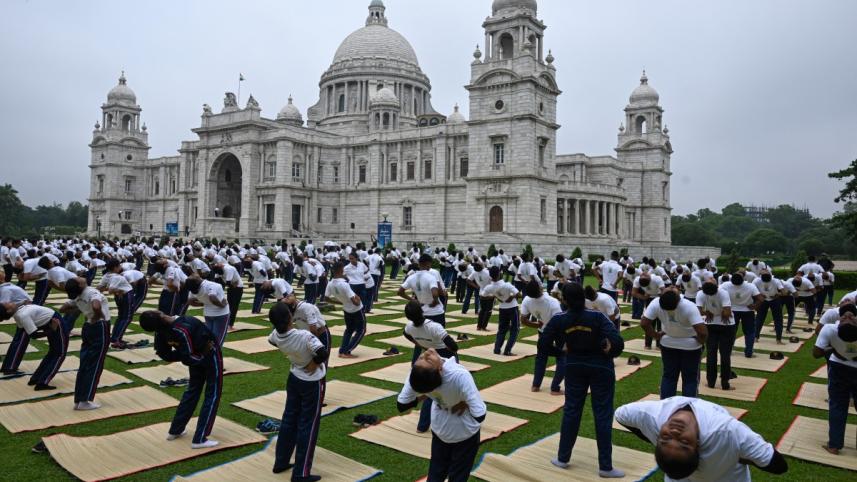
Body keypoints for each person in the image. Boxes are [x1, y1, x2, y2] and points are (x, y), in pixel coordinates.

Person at [538, 282, 625, 478]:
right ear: (583, 298)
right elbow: (618, 342)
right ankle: (605, 466)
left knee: (571, 410)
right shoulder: (597, 316)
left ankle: (562, 458)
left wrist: (560, 353)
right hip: (601, 365)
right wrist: (610, 352)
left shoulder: (560, 319)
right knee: (602, 413)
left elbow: (543, 343)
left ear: (564, 300)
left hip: (574, 365)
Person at [615, 396, 788, 481]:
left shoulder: (650, 416)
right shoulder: (729, 432)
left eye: (665, 439)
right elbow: (777, 465)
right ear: (696, 445)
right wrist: (738, 456)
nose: (675, 433)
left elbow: (620, 415)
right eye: (684, 442)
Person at [396, 347, 486, 482]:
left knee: (436, 474)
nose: (426, 354)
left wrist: (428, 395)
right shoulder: (458, 375)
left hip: (441, 430)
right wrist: (464, 402)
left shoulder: (417, 373)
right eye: (425, 359)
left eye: (421, 358)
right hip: (464, 433)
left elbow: (402, 404)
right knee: (455, 476)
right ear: (439, 370)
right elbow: (480, 414)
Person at [140, 310, 223, 449]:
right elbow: (187, 356)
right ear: (161, 315)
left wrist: (185, 355)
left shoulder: (161, 331)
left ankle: (175, 430)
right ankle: (200, 438)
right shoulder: (182, 327)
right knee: (212, 395)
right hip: (208, 357)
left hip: (197, 360)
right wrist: (200, 357)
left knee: (192, 393)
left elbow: (165, 354)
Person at [266, 303, 327, 481]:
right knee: (308, 424)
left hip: (294, 377)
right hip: (311, 382)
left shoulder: (276, 335)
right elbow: (322, 353)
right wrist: (312, 363)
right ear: (290, 319)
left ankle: (281, 462)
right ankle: (301, 473)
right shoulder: (304, 336)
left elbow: (271, 341)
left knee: (289, 419)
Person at [402, 300, 460, 433]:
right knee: (453, 385)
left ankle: (422, 426)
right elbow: (453, 346)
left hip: (428, 356)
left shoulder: (410, 326)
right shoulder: (434, 326)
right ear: (422, 311)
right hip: (443, 355)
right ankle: (455, 416)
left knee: (431, 390)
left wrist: (420, 344)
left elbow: (406, 334)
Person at [641, 287, 707, 398]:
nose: (671, 287)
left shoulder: (656, 303)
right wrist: (700, 341)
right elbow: (703, 332)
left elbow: (644, 323)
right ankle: (688, 409)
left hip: (668, 343)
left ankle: (666, 406)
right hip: (690, 346)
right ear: (678, 299)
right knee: (690, 379)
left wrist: (656, 335)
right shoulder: (688, 305)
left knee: (669, 377)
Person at [812, 305, 857, 455]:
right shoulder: (831, 328)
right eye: (847, 317)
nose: (848, 317)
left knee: (837, 406)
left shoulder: (830, 329)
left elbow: (817, 353)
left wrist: (835, 349)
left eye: (849, 317)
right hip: (842, 368)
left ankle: (834, 445)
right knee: (837, 406)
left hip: (838, 368)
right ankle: (834, 445)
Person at [61, 277, 110, 411]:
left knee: (85, 363)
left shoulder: (77, 295)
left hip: (87, 327)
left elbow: (63, 308)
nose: (81, 277)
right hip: (99, 327)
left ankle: (79, 399)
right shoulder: (91, 291)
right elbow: (96, 305)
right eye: (79, 279)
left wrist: (82, 310)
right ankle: (85, 400)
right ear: (81, 285)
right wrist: (97, 316)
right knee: (95, 364)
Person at [0, 302, 66, 390]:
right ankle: (43, 382)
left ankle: (36, 378)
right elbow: (33, 335)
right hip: (54, 321)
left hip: (49, 320)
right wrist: (52, 330)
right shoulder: (22, 315)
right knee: (60, 353)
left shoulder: (18, 313)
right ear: (9, 310)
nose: (10, 302)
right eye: (8, 304)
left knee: (53, 352)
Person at [521, 279, 564, 394]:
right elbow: (560, 322)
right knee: (563, 356)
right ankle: (555, 388)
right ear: (540, 288)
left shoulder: (527, 300)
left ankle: (535, 385)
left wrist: (536, 325)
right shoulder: (552, 302)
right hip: (556, 331)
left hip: (543, 331)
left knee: (541, 357)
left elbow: (523, 320)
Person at [696, 278, 735, 390]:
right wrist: (722, 313)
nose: (711, 278)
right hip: (727, 325)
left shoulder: (701, 293)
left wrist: (707, 312)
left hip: (710, 324)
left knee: (711, 354)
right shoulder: (723, 292)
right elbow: (727, 312)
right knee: (725, 354)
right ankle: (725, 383)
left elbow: (697, 310)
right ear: (716, 286)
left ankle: (711, 382)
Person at [325, 262, 366, 358]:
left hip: (346, 309)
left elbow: (326, 298)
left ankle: (342, 350)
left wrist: (340, 302)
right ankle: (346, 351)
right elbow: (355, 301)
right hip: (356, 310)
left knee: (349, 330)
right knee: (361, 330)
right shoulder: (344, 284)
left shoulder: (330, 283)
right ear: (340, 270)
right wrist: (359, 299)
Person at [480, 266, 520, 356]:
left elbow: (482, 296)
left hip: (502, 308)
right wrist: (511, 297)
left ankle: (497, 349)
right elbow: (519, 294)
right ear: (499, 274)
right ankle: (507, 350)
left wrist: (496, 296)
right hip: (512, 307)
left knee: (502, 329)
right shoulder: (507, 284)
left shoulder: (489, 287)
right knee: (515, 329)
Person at [722, 272, 762, 358]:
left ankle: (728, 351)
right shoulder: (750, 286)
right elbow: (760, 299)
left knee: (730, 332)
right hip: (747, 311)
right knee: (749, 332)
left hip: (731, 311)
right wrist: (755, 306)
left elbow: (717, 295)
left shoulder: (725, 285)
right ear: (743, 279)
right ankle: (749, 352)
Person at [98, 259, 136, 349]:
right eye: (119, 266)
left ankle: (115, 337)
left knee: (121, 317)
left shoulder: (106, 275)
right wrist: (120, 290)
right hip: (126, 295)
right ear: (115, 267)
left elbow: (100, 287)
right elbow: (111, 290)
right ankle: (117, 340)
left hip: (120, 297)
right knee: (127, 318)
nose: (121, 267)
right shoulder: (117, 277)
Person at [185, 277, 230, 347]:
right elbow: (213, 298)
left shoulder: (193, 289)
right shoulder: (212, 285)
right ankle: (215, 355)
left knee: (209, 336)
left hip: (208, 314)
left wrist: (203, 303)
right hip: (221, 314)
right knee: (218, 339)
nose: (193, 274)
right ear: (197, 280)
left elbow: (190, 301)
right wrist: (222, 305)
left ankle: (207, 354)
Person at [753, 271, 785, 343]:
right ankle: (778, 340)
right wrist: (778, 294)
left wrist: (777, 295)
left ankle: (756, 337)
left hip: (772, 300)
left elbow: (784, 292)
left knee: (761, 319)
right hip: (767, 300)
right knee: (761, 319)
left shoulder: (775, 281)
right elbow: (784, 292)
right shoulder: (775, 280)